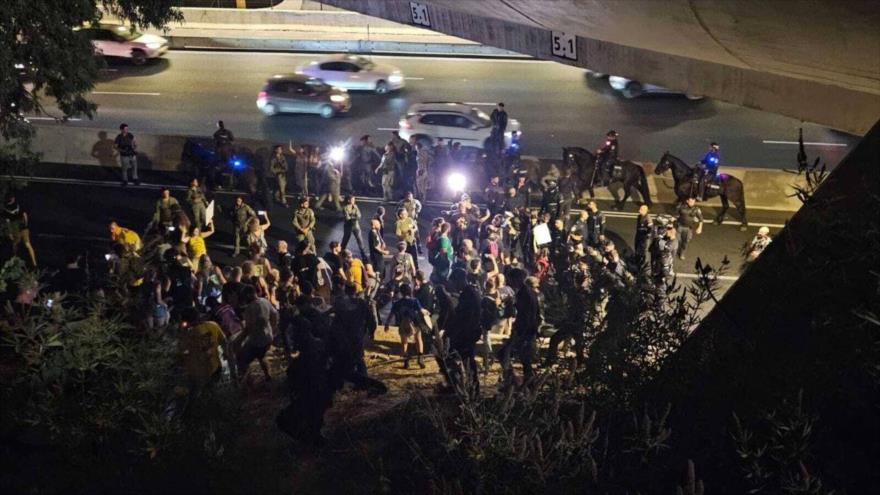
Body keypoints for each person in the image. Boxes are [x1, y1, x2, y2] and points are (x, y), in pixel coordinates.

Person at [498, 268, 540, 387]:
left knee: (505, 354)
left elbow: (526, 315)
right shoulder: (528, 292)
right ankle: (526, 381)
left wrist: (519, 332)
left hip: (523, 330)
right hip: (527, 330)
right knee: (524, 358)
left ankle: (513, 381)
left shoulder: (524, 294)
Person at [178, 307, 228, 393]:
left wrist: (182, 333)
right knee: (214, 391)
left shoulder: (189, 336)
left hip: (200, 374)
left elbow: (183, 352)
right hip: (216, 367)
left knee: (204, 395)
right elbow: (224, 341)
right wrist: (226, 353)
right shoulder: (213, 325)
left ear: (186, 321)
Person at [239, 284, 278, 386]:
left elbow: (248, 328)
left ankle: (248, 383)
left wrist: (238, 340)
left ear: (249, 295)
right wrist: (273, 329)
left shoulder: (250, 309)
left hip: (256, 340)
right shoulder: (265, 301)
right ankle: (268, 376)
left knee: (242, 359)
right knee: (261, 356)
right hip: (268, 336)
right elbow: (274, 315)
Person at [385, 284, 427, 369]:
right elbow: (421, 311)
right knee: (418, 339)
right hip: (414, 323)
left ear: (401, 292)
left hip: (403, 323)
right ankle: (420, 358)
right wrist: (427, 313)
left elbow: (391, 314)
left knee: (404, 343)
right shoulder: (415, 301)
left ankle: (406, 361)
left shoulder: (397, 303)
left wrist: (387, 324)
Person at [3, 193, 37, 267]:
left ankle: (34, 263)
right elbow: (8, 221)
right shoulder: (8, 208)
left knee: (25, 244)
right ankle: (17, 259)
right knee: (19, 244)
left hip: (20, 228)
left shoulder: (16, 206)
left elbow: (24, 215)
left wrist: (25, 225)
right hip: (17, 228)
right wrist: (10, 232)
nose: (12, 199)